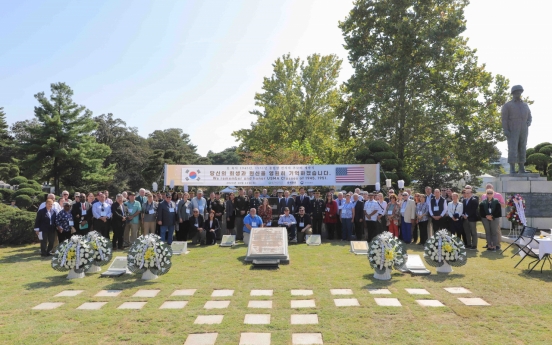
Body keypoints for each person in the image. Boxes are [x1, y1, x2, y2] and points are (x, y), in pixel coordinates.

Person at [502, 84, 532, 174]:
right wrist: (506, 129)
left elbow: (530, 116)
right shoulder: (508, 105)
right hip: (513, 127)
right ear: (513, 93)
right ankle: (512, 169)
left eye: (520, 92)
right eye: (516, 92)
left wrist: (529, 122)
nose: (518, 93)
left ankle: (522, 168)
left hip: (524, 127)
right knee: (513, 148)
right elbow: (504, 119)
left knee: (522, 147)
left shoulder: (525, 105)